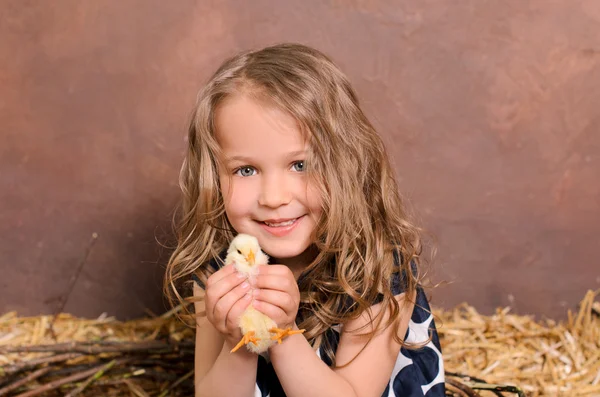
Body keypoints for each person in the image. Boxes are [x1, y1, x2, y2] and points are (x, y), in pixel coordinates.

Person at [164, 43, 445, 397]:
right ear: (213, 177)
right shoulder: (219, 271)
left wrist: (280, 333)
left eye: (300, 165)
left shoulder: (376, 264)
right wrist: (239, 343)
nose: (274, 197)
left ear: (347, 163)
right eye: (245, 170)